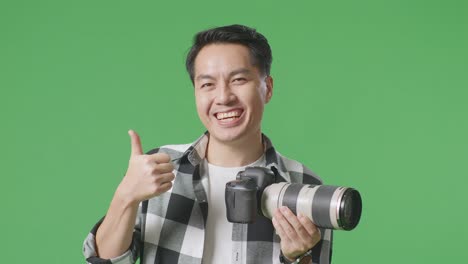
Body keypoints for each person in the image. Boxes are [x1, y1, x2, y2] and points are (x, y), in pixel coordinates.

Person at [83, 24, 333, 264]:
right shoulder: (157, 168)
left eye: (238, 80)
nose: (223, 97)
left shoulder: (305, 186)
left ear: (267, 88)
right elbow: (107, 261)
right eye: (207, 84)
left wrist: (296, 258)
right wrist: (126, 195)